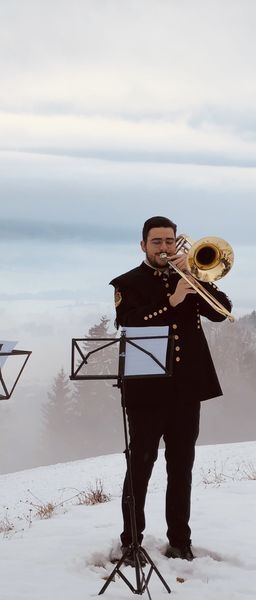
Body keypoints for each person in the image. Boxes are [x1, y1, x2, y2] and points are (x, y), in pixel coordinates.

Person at [110, 216, 232, 561]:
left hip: (186, 390)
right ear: (143, 245)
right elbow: (129, 322)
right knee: (141, 465)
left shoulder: (191, 276)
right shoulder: (127, 283)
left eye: (169, 241)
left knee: (181, 467)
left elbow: (222, 313)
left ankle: (180, 540)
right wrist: (172, 301)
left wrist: (194, 278)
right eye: (156, 242)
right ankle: (131, 542)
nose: (164, 247)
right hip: (145, 392)